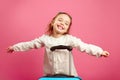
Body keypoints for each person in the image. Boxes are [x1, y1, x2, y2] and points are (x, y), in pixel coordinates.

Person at [7, 12, 109, 77]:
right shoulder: (45, 39)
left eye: (66, 23)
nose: (62, 24)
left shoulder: (69, 39)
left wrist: (100, 52)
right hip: (50, 75)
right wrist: (15, 47)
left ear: (67, 28)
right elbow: (30, 44)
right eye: (60, 20)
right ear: (53, 22)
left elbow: (85, 46)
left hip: (69, 75)